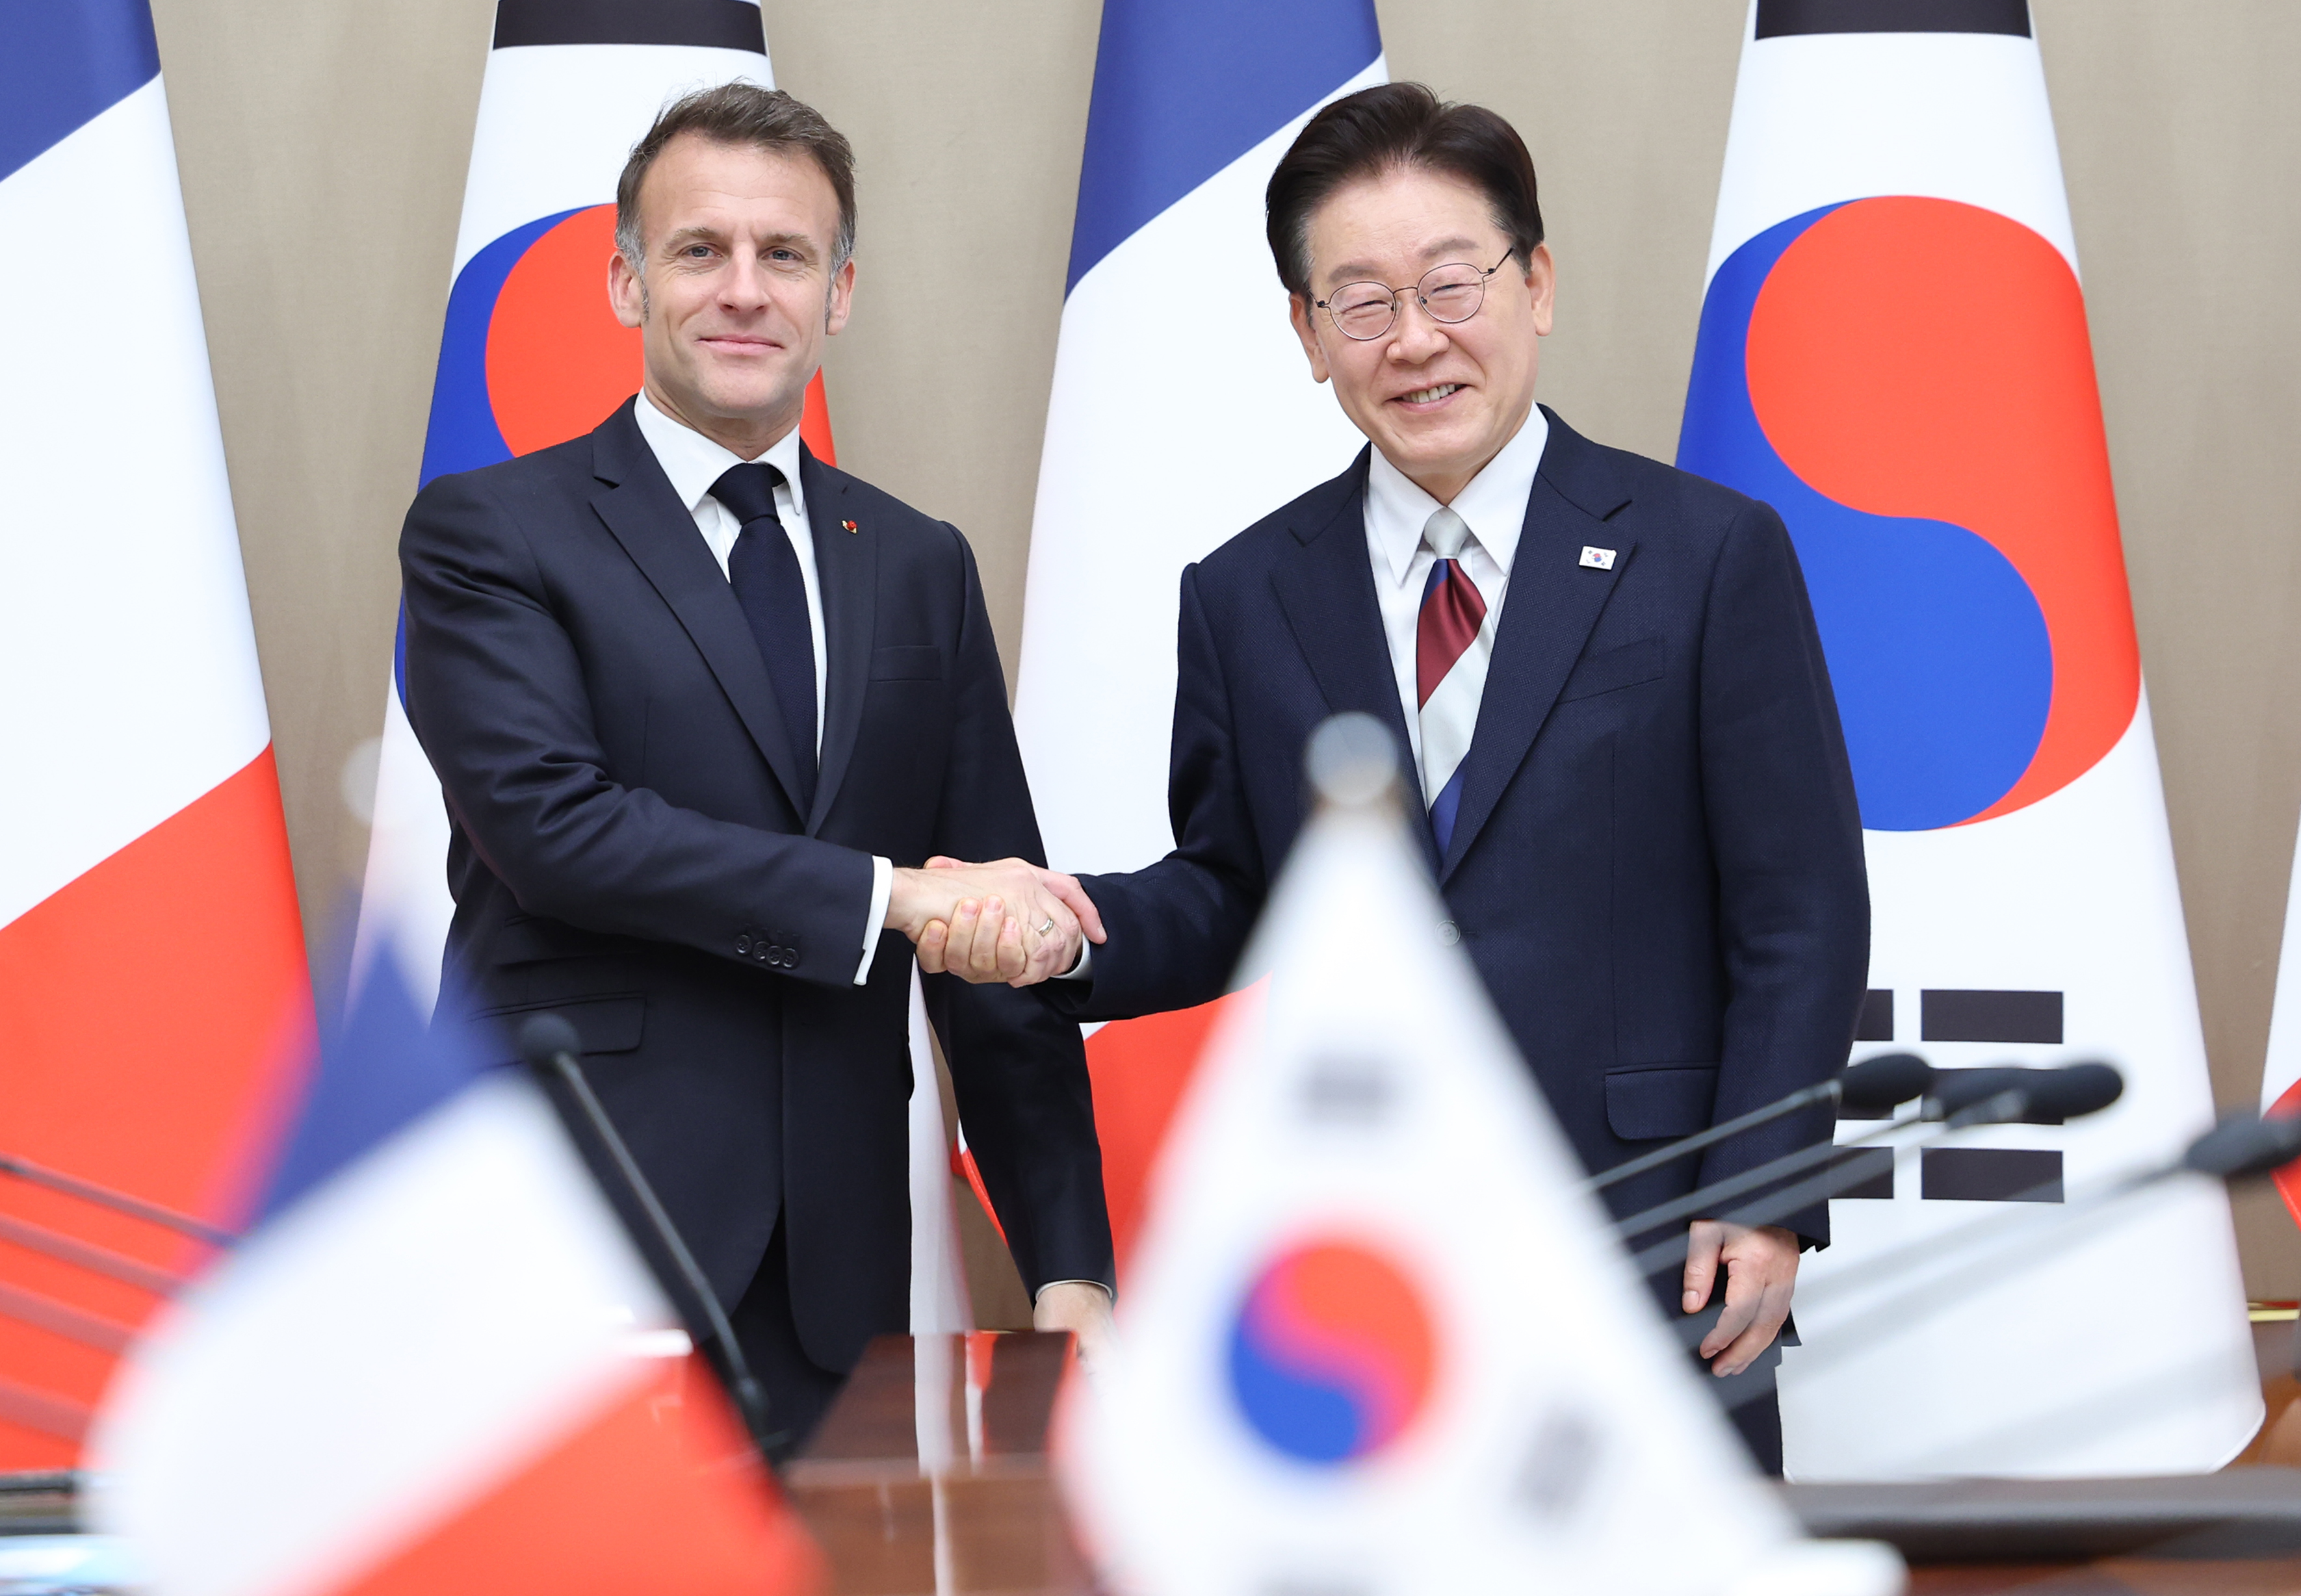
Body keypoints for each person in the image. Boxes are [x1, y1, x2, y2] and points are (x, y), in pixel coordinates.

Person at [924, 84, 1867, 1473]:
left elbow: (1800, 908)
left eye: (1452, 283)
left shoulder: (1707, 553)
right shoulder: (1246, 592)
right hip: (1364, 1259)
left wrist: (1768, 1187)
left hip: (1650, 1231)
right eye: (1361, 302)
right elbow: (1243, 889)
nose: (1416, 339)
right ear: (1307, 335)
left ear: (1535, 282)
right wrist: (1059, 929)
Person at [398, 83, 1113, 1459]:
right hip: (566, 1244)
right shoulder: (491, 533)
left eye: (785, 255)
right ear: (624, 277)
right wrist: (890, 899)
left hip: (833, 1285)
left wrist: (1069, 1260)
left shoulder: (919, 565)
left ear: (839, 293)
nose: (744, 290)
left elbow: (990, 928)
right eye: (699, 249)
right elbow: (558, 832)